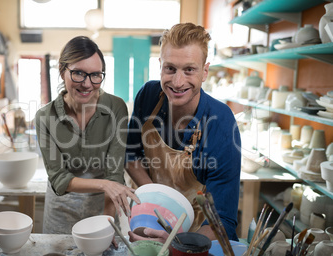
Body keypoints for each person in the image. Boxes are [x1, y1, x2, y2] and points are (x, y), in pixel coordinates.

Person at [125, 23, 241, 243]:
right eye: (170, 69)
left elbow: (222, 221)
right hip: (146, 215)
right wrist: (156, 199)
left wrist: (178, 245)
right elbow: (131, 155)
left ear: (204, 71)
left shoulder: (221, 123)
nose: (177, 83)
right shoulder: (149, 96)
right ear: (160, 65)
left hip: (193, 233)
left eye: (189, 69)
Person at [35, 36, 139, 234]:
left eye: (95, 75)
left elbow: (114, 173)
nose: (87, 84)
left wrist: (108, 222)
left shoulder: (116, 108)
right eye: (78, 74)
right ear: (62, 71)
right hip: (61, 209)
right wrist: (105, 184)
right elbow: (58, 178)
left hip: (104, 205)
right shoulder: (45, 117)